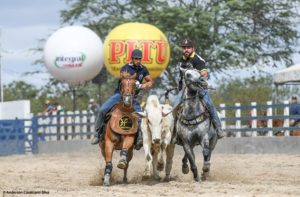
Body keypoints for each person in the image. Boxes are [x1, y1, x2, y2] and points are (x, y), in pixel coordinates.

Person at [91, 49, 153, 150]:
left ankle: (139, 139)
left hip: (134, 97)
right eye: (136, 59)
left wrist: (142, 85)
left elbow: (150, 81)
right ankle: (97, 134)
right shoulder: (126, 68)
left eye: (139, 59)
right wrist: (134, 82)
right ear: (132, 59)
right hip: (120, 95)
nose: (138, 60)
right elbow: (124, 76)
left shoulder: (144, 69)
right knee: (102, 110)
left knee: (140, 116)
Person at [177, 38, 225, 139]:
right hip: (185, 90)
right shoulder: (181, 60)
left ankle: (218, 128)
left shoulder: (198, 59)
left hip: (199, 89)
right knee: (174, 107)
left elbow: (204, 72)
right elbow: (180, 76)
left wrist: (198, 73)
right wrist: (179, 86)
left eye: (188, 48)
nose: (186, 50)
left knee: (210, 105)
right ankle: (175, 133)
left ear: (193, 48)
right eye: (184, 48)